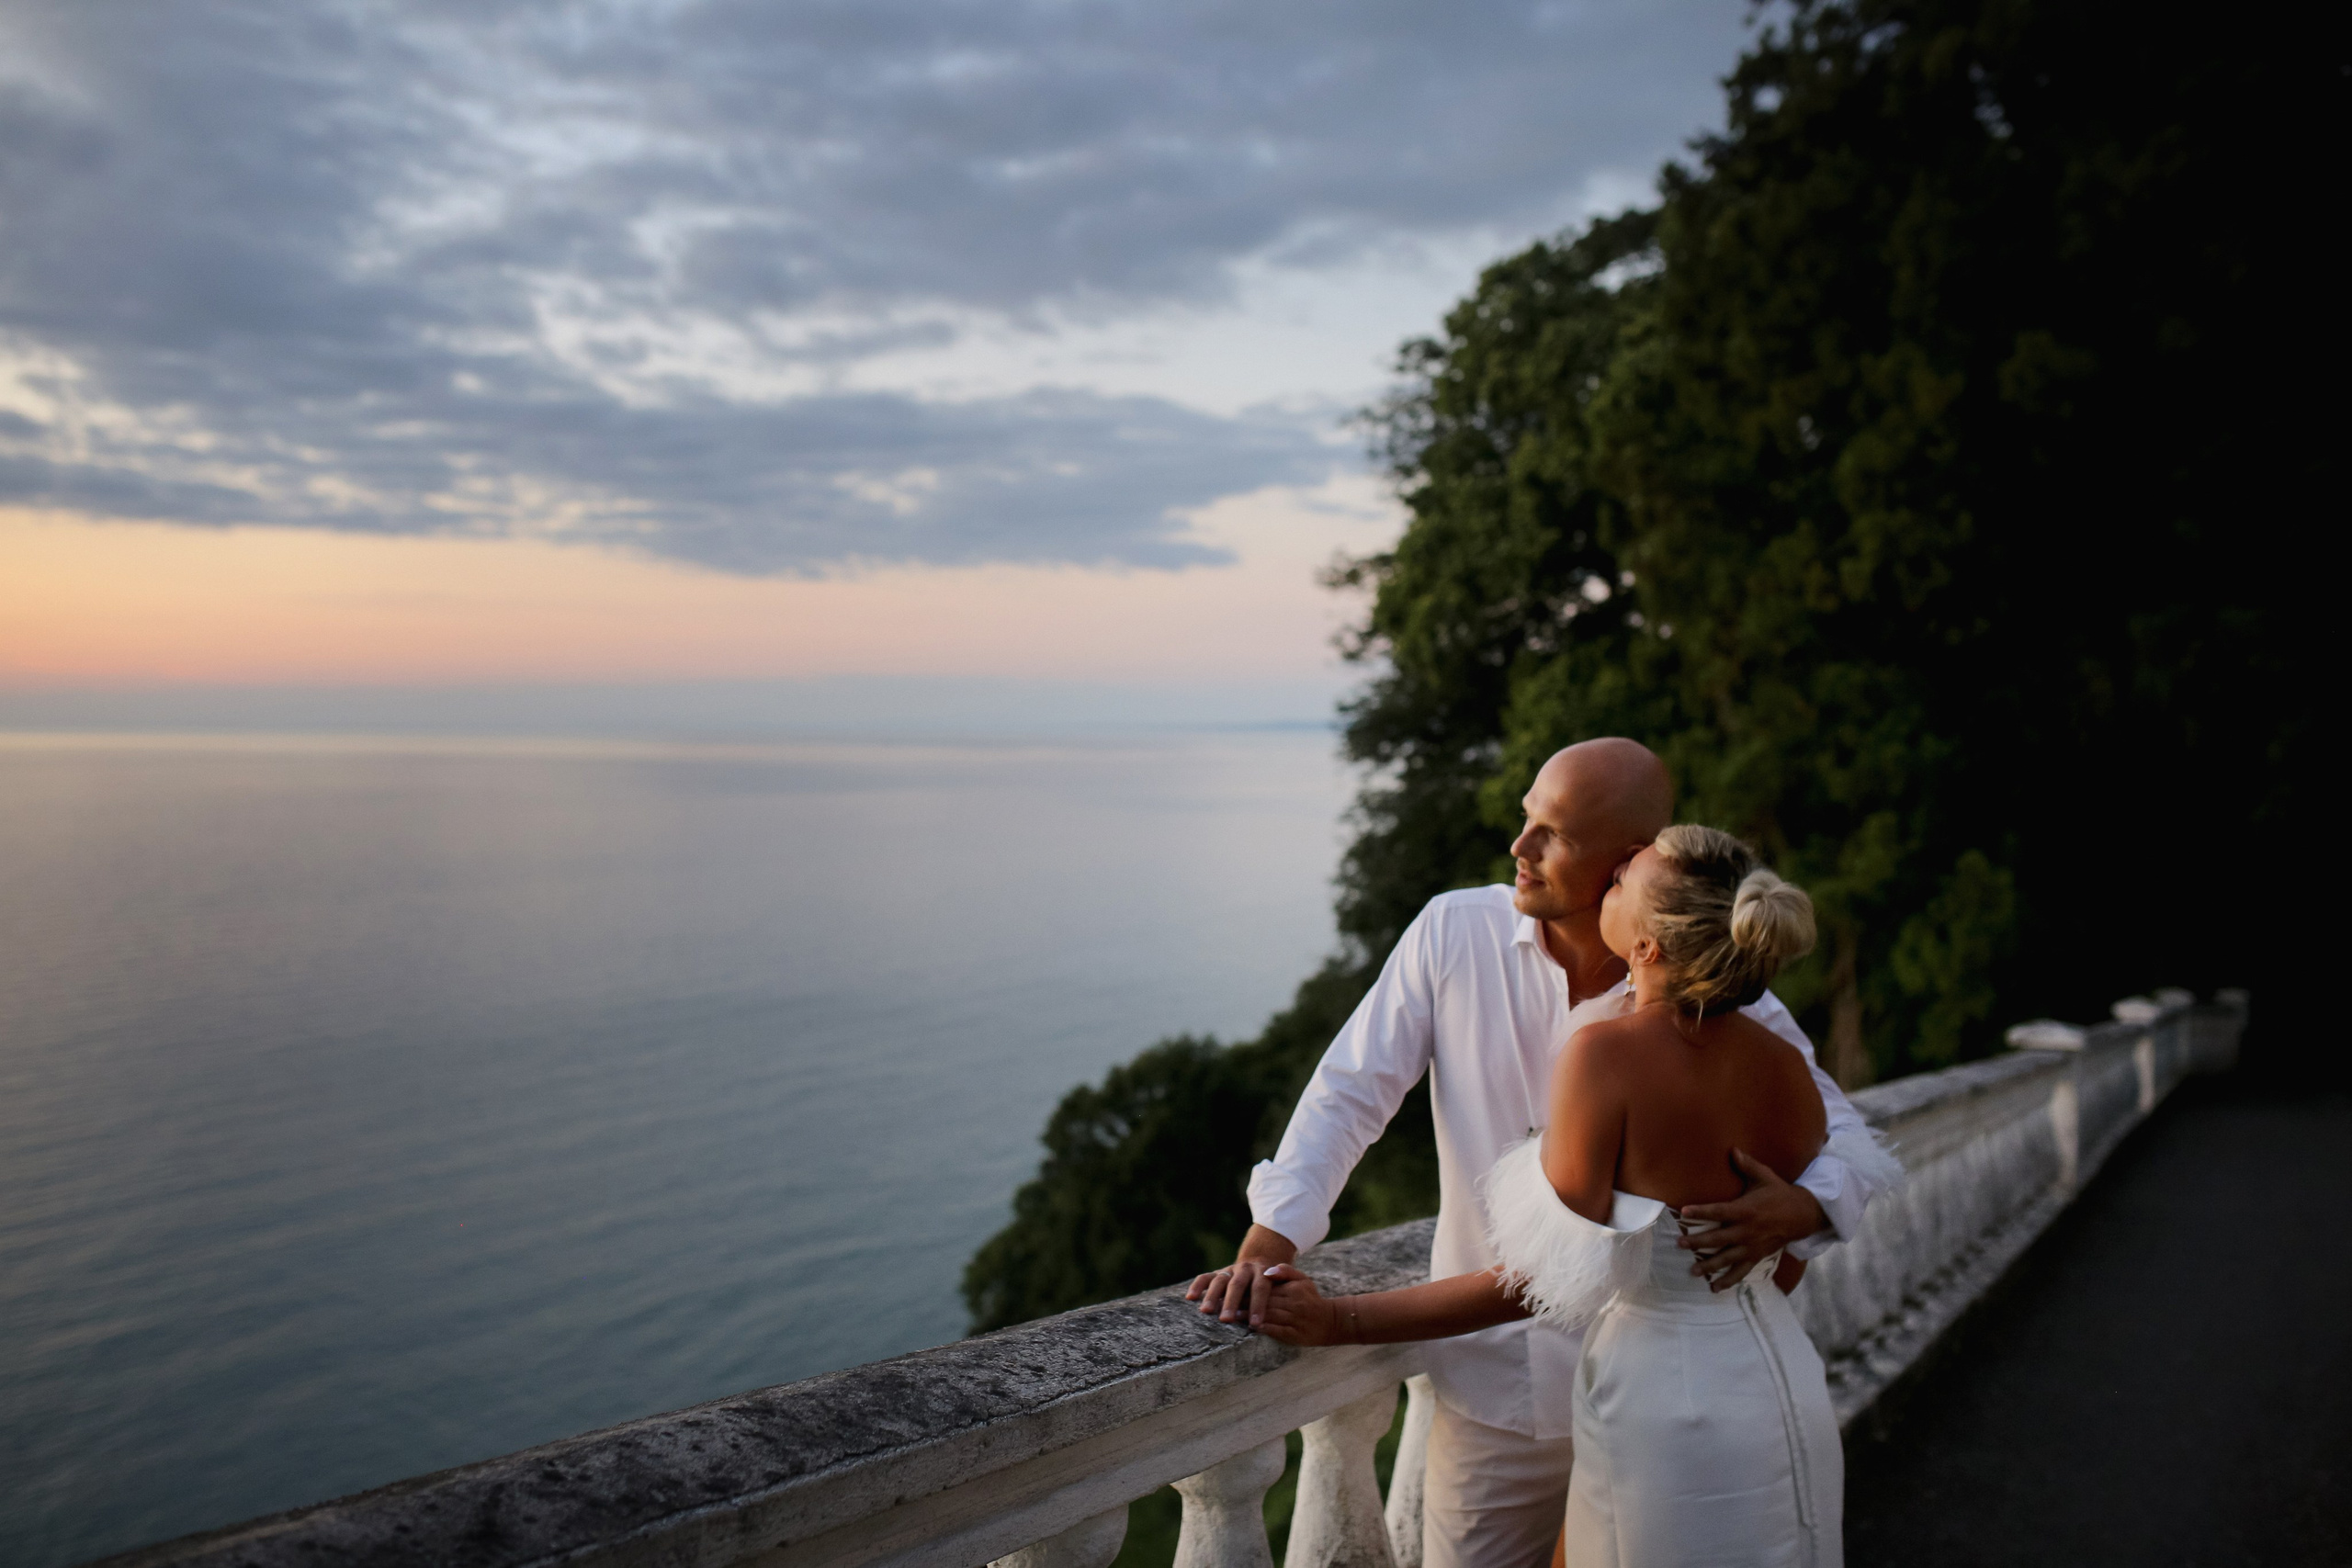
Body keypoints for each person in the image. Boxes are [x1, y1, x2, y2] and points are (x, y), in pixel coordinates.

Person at [1186, 739, 1896, 1568]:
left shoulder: (1717, 984)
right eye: (1528, 818)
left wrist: (1804, 1207)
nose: (1519, 847)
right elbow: (1350, 1091)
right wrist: (1271, 1239)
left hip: (1658, 1401)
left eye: (1550, 833)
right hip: (1497, 1392)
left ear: (1632, 861)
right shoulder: (1455, 930)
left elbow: (1843, 1133)